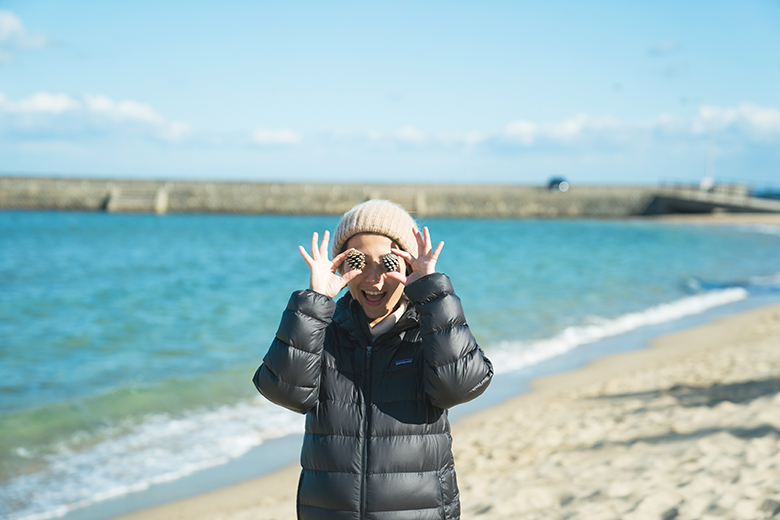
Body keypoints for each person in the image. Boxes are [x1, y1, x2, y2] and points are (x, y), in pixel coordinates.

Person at [253, 199, 493, 520]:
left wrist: (432, 291)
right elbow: (285, 391)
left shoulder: (429, 330)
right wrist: (315, 303)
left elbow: (460, 386)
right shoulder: (325, 329)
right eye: (357, 261)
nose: (373, 278)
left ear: (407, 266)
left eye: (389, 262)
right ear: (340, 266)